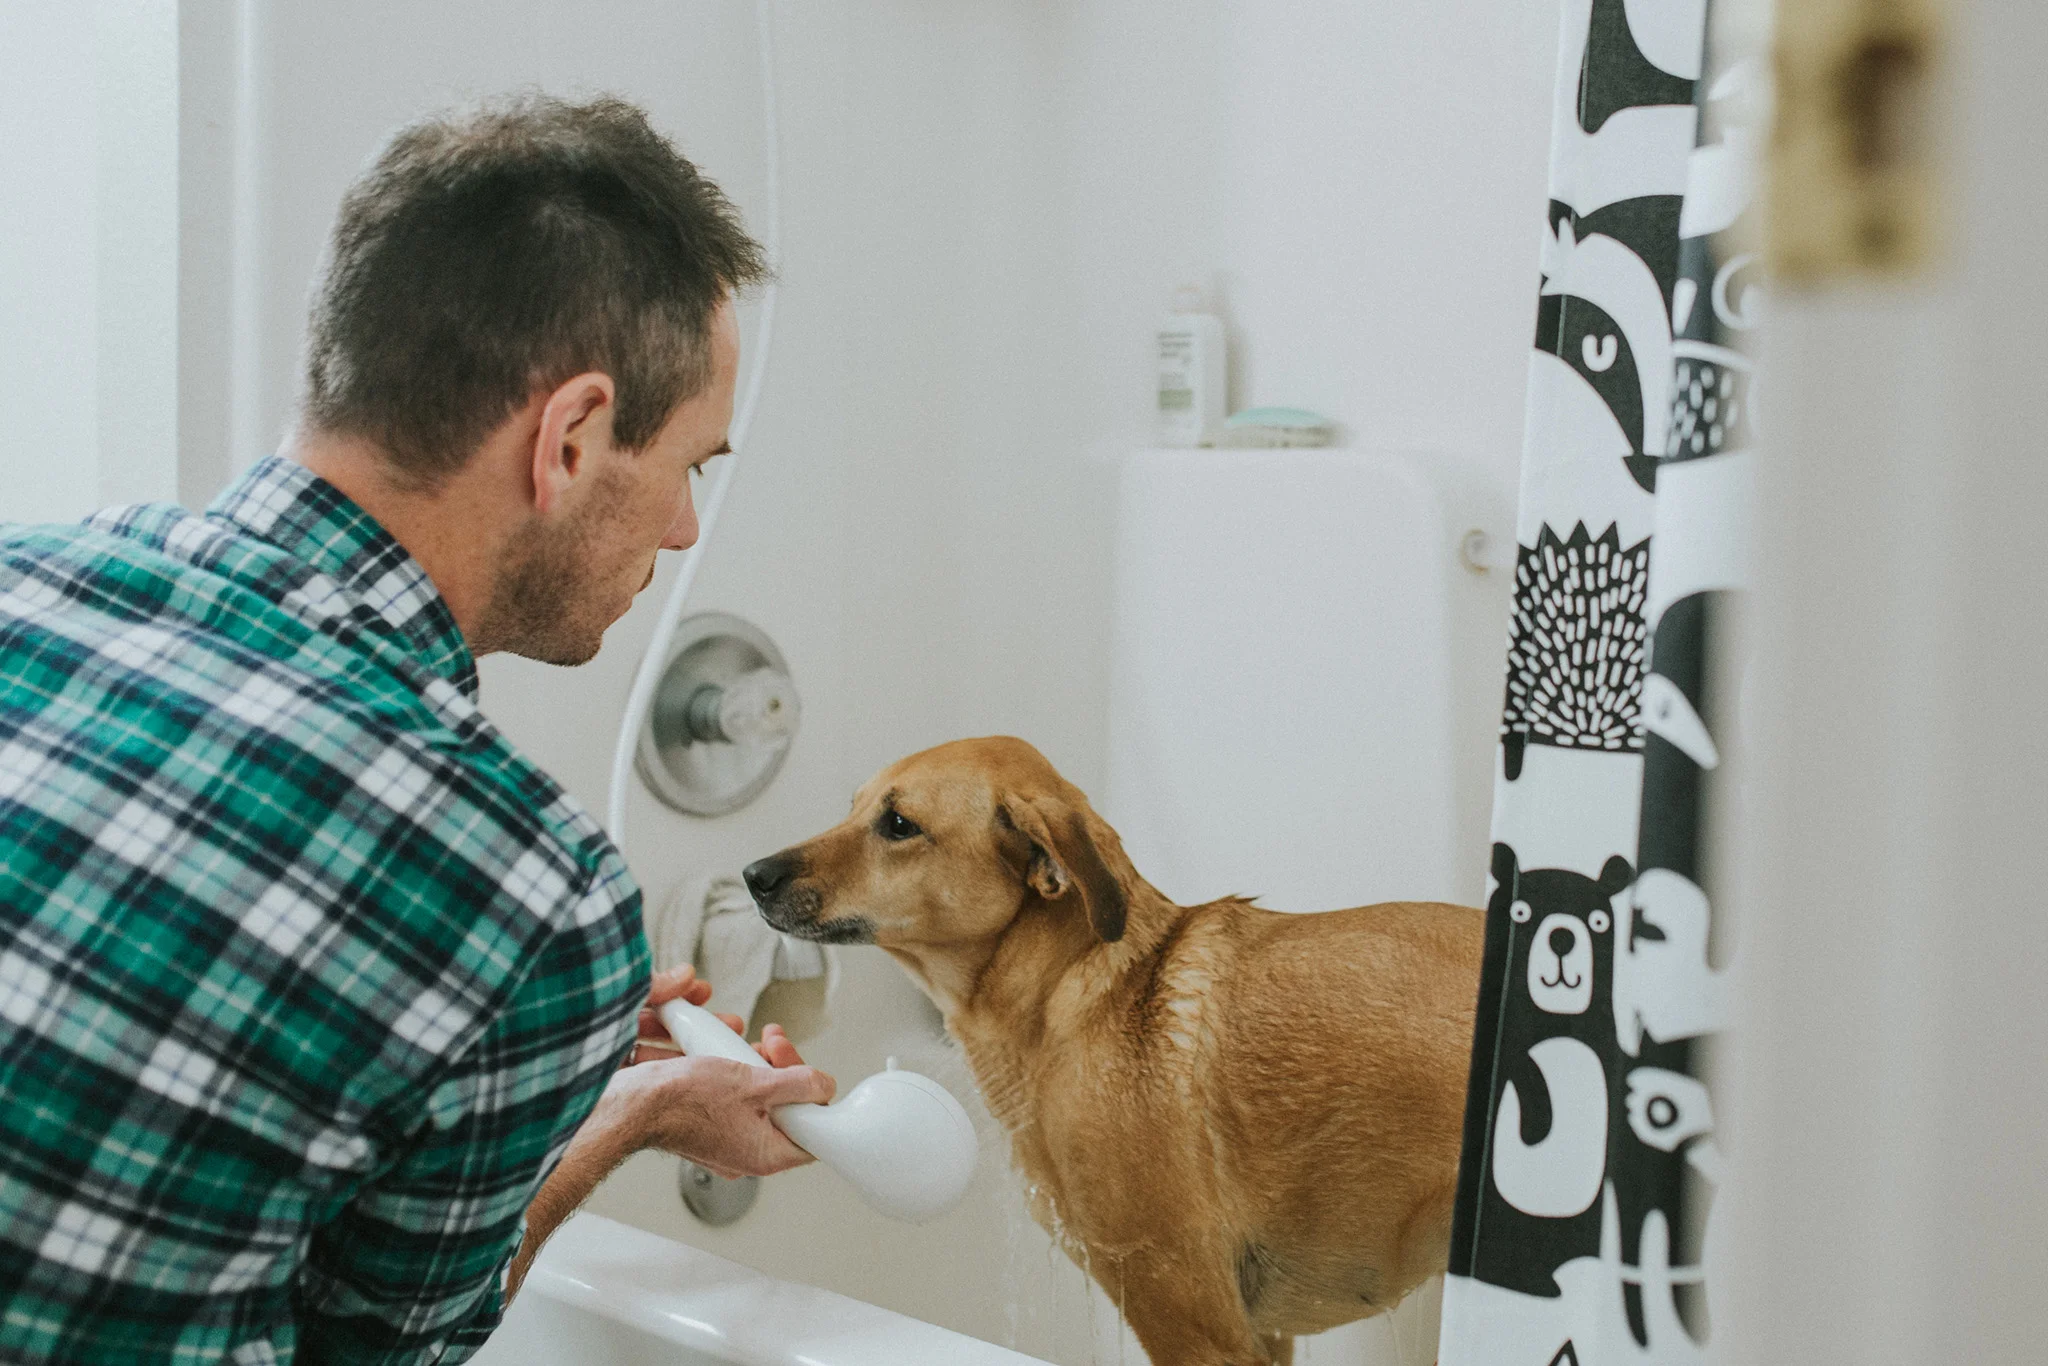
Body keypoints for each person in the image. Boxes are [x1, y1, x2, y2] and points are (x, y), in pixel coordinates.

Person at [0, 94, 834, 1365]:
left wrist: (504, 1054)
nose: (681, 529)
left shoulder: (28, 579)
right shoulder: (521, 888)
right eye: (690, 466)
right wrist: (630, 1110)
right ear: (567, 437)